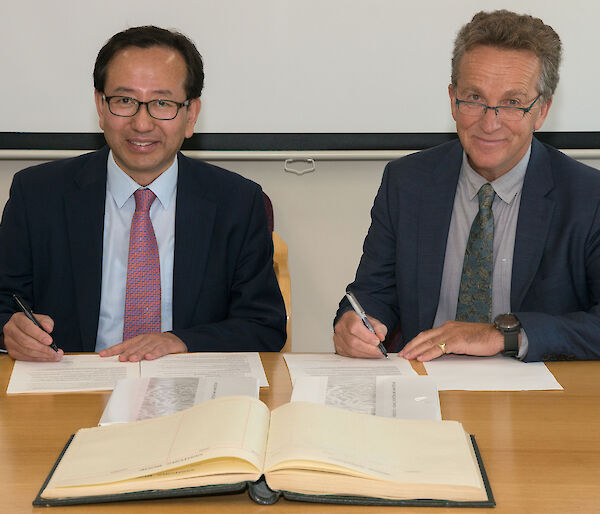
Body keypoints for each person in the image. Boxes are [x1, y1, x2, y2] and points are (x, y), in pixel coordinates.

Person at [0, 26, 286, 362]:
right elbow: (5, 302)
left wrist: (181, 341)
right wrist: (9, 328)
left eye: (162, 103)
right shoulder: (37, 194)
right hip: (71, 391)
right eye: (124, 101)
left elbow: (263, 326)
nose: (142, 123)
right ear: (101, 107)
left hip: (190, 393)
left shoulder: (237, 202)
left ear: (191, 115)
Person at [334, 10, 600, 362]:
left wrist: (505, 335)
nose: (489, 123)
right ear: (452, 98)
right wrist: (355, 323)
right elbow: (372, 295)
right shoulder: (407, 182)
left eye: (512, 103)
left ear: (542, 110)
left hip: (538, 402)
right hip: (427, 391)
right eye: (474, 98)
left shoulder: (587, 197)